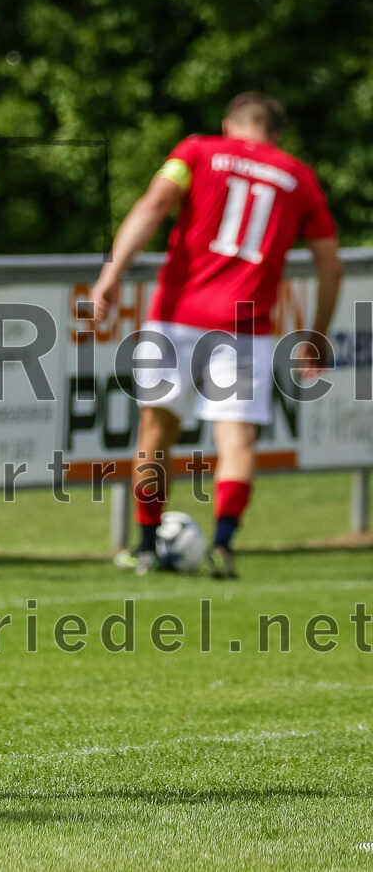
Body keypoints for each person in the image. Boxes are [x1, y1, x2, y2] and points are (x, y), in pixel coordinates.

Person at [90, 93, 341, 578]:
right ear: (276, 134)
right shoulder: (299, 178)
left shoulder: (196, 151)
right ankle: (223, 545)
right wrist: (316, 334)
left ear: (230, 124)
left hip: (177, 316)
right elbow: (329, 267)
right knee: (237, 440)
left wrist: (112, 271)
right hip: (245, 328)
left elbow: (155, 202)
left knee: (156, 432)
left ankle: (145, 544)